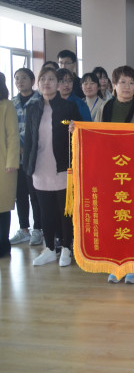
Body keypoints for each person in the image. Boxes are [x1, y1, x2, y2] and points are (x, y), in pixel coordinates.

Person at [95, 66, 134, 283]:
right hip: (111, 172)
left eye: (131, 83)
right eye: (123, 82)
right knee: (114, 217)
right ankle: (116, 262)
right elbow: (96, 136)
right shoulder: (105, 108)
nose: (128, 87)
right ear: (114, 85)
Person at [24, 67, 82, 267]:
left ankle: (66, 247)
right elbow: (29, 139)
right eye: (43, 79)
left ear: (58, 84)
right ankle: (49, 248)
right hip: (40, 167)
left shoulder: (68, 107)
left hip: (62, 167)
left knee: (64, 210)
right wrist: (28, 166)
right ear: (38, 84)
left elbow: (81, 134)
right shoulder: (32, 108)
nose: (46, 83)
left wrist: (75, 129)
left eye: (51, 79)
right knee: (45, 210)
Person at [10, 68, 43, 246]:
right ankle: (24, 230)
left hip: (35, 156)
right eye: (17, 79)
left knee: (35, 194)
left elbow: (38, 127)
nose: (20, 81)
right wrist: (16, 147)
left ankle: (38, 228)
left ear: (32, 80)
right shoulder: (11, 103)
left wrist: (24, 145)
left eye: (24, 78)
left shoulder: (40, 100)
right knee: (20, 194)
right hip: (16, 157)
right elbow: (8, 129)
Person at [0, 72, 20, 258]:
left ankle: (2, 244)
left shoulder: (7, 105)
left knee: (2, 206)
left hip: (3, 163)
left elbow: (13, 135)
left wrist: (12, 161)